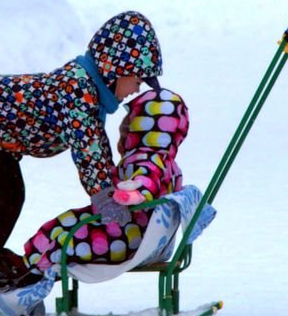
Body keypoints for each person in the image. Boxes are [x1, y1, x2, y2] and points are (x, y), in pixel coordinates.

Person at [0, 10, 163, 294]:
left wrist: (112, 186)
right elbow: (88, 150)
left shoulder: (87, 90)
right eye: (138, 79)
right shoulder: (78, 92)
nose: (137, 88)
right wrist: (106, 200)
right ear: (116, 69)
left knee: (7, 195)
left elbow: (96, 143)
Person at [22, 87, 190, 278]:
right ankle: (26, 266)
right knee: (67, 221)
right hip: (147, 239)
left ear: (142, 126)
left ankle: (28, 282)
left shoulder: (146, 158)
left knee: (61, 241)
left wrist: (135, 193)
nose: (125, 129)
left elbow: (146, 178)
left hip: (129, 239)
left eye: (130, 124)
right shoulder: (166, 161)